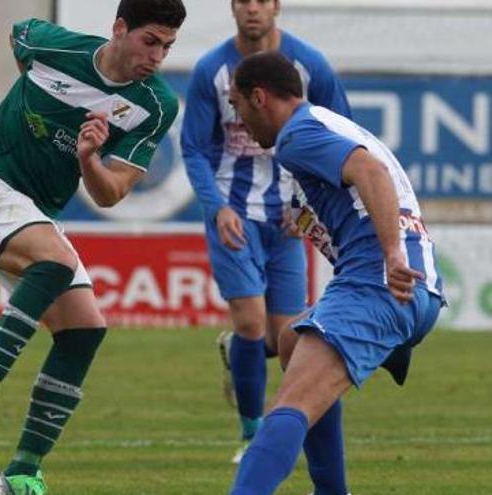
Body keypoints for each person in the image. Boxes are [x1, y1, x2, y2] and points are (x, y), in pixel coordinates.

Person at [0, 1, 186, 493]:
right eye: (150, 41)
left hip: (32, 213)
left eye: (167, 47)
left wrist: (89, 157)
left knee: (84, 328)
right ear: (119, 29)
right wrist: (28, 110)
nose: (157, 57)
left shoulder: (156, 105)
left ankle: (26, 468)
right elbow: (19, 36)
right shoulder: (50, 43)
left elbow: (110, 193)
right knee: (53, 260)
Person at [226, 51, 444, 495]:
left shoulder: (296, 135)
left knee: (288, 407)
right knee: (290, 341)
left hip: (380, 283)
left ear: (260, 97)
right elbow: (367, 181)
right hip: (421, 290)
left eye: (238, 107)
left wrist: (390, 256)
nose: (240, 121)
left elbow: (371, 172)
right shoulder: (330, 124)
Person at [179, 0, 352, 464]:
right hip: (233, 216)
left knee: (285, 339)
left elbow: (340, 131)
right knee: (253, 322)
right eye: (243, 0)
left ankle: (240, 351)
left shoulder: (309, 65)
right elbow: (193, 147)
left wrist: (308, 200)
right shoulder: (211, 70)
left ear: (276, 6)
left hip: (289, 221)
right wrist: (216, 208)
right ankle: (252, 435)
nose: (252, 8)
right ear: (232, 8)